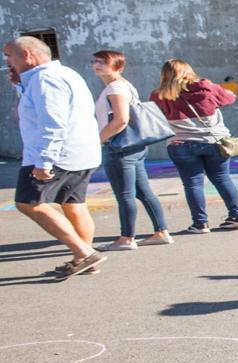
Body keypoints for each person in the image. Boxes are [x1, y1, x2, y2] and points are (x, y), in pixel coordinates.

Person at [5, 36, 106, 278]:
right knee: (73, 205)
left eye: (9, 55)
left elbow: (53, 123)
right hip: (80, 152)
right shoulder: (62, 74)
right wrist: (20, 84)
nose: (6, 61)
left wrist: (44, 161)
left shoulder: (45, 79)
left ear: (27, 55)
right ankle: (84, 258)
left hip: (56, 155)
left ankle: (84, 252)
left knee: (28, 203)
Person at [91, 50, 172, 251]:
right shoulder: (123, 85)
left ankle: (126, 238)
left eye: (103, 62)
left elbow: (121, 120)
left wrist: (99, 140)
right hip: (133, 146)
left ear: (118, 66)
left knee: (125, 195)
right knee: (143, 192)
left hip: (120, 147)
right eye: (95, 61)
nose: (97, 65)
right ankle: (161, 232)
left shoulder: (115, 88)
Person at [152, 59, 238, 233]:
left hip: (181, 144)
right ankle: (236, 216)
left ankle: (200, 223)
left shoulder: (159, 95)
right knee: (222, 178)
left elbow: (156, 118)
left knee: (192, 184)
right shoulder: (206, 87)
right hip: (215, 143)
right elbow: (229, 98)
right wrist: (229, 86)